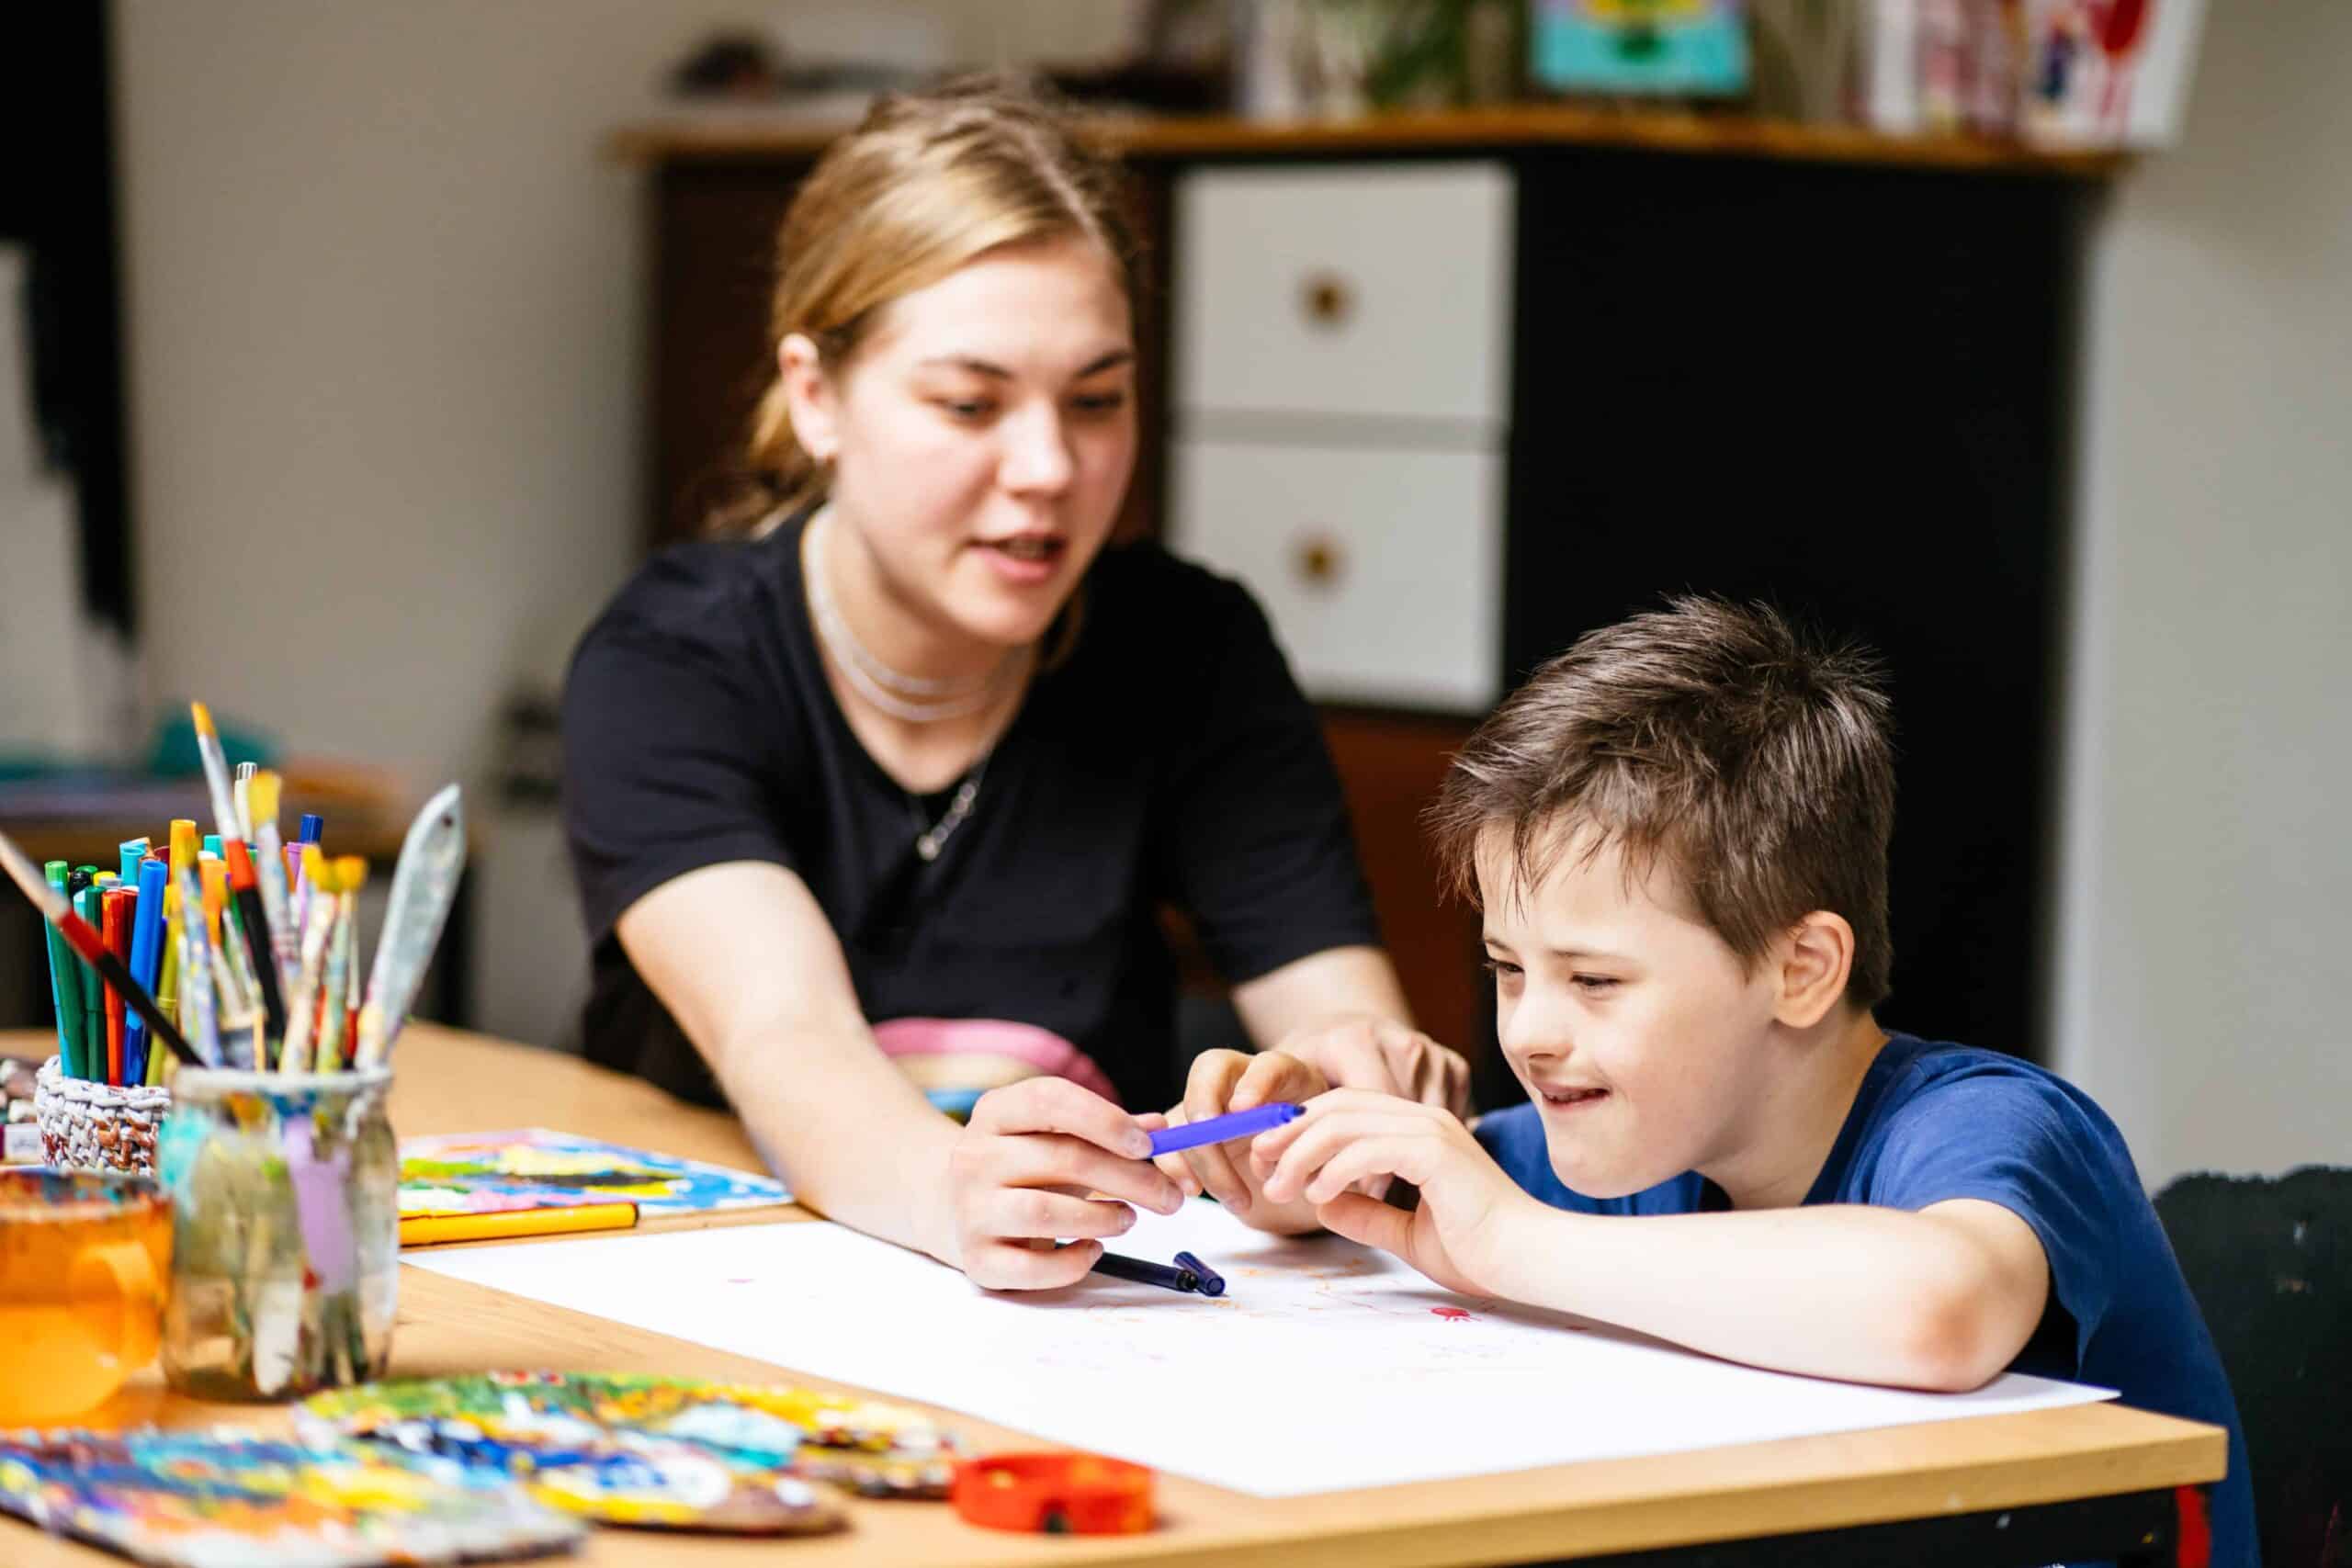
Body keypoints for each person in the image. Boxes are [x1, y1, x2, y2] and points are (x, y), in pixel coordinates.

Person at [561, 78, 1466, 1292]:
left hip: (1080, 1311)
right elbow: (786, 1038)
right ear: (817, 396)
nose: (1048, 468)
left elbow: (1338, 1021)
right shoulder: (673, 661)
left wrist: (1337, 1116)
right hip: (734, 1280)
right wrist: (950, 1191)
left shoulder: (1192, 647)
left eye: (1097, 400)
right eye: (970, 403)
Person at [1250, 596, 2256, 1567]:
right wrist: (1285, 1167)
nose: (1529, 1031)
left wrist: (1509, 1240)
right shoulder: (1633, 1140)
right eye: (1509, 969)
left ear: (1800, 970)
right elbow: (1429, 1200)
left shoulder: (1994, 1125)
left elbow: (1937, 1308)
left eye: (1593, 980)